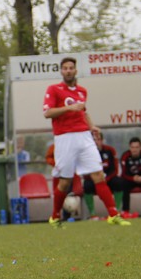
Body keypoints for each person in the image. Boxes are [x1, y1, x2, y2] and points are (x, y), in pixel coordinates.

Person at [42, 57, 130, 226]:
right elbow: (47, 113)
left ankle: (113, 214)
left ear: (76, 70)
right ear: (61, 71)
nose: (68, 71)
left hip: (84, 137)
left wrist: (92, 126)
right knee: (65, 181)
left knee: (98, 174)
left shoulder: (82, 91)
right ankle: (55, 217)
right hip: (65, 138)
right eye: (65, 68)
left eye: (71, 68)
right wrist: (69, 107)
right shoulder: (54, 89)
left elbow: (83, 111)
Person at [80, 128, 119, 217]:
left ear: (102, 140)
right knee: (87, 185)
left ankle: (116, 211)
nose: (96, 142)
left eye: (98, 139)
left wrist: (106, 178)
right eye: (94, 140)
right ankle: (92, 214)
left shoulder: (110, 150)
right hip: (93, 180)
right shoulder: (86, 153)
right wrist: (96, 178)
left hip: (108, 179)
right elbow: (85, 172)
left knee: (118, 182)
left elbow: (115, 169)